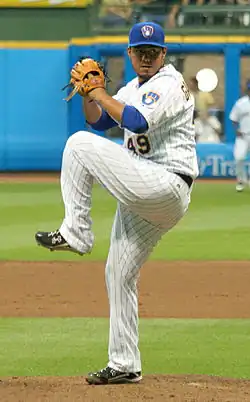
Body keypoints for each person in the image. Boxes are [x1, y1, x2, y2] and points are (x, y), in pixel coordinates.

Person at [35, 21, 198, 385]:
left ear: (163, 54)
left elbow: (136, 122)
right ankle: (125, 363)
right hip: (149, 188)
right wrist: (87, 94)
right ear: (129, 53)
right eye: (139, 52)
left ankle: (76, 232)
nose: (145, 57)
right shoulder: (130, 87)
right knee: (119, 272)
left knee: (76, 144)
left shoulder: (168, 83)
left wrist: (99, 91)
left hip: (165, 181)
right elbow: (99, 123)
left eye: (152, 52)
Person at [230, 79, 250, 192]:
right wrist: (236, 129)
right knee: (239, 158)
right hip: (243, 135)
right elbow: (233, 118)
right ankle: (241, 181)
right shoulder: (241, 103)